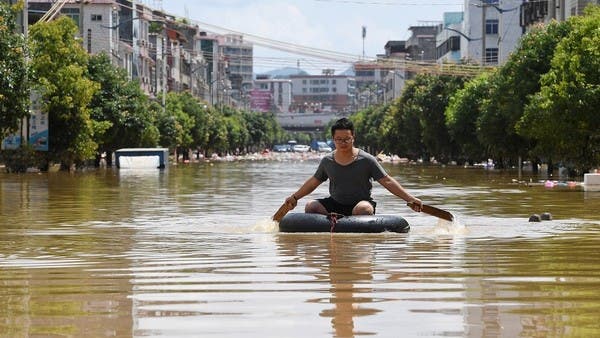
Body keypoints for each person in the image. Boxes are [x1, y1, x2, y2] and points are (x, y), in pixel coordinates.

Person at [283, 118, 423, 216]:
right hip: (335, 203)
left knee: (363, 209)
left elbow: (387, 181)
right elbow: (314, 182)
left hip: (361, 203)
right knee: (310, 207)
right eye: (339, 139)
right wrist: (294, 197)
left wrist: (410, 199)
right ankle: (333, 223)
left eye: (347, 139)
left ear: (353, 138)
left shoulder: (367, 160)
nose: (343, 143)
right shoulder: (327, 161)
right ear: (333, 140)